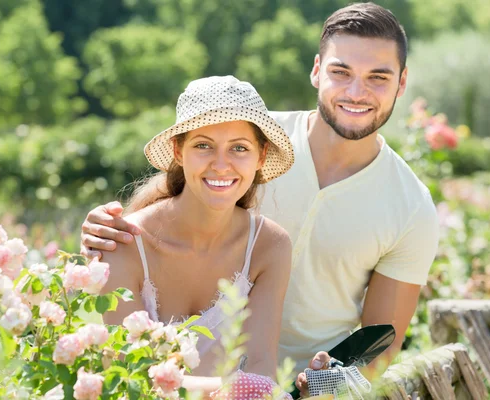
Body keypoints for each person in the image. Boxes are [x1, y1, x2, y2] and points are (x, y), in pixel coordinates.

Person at [82, 2, 439, 397]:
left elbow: (376, 351)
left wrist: (325, 383)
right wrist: (112, 223)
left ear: (402, 83)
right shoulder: (249, 138)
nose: (357, 92)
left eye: (378, 77)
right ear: (317, 70)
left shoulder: (411, 208)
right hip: (194, 378)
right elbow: (182, 188)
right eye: (341, 71)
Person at [98, 75, 295, 398]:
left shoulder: (270, 246)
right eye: (203, 145)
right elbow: (125, 375)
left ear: (260, 158)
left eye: (239, 148)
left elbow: (260, 364)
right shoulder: (124, 243)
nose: (221, 165)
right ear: (178, 151)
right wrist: (229, 389)